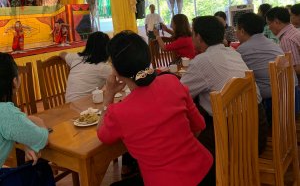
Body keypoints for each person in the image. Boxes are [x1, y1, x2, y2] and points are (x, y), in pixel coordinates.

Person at [97, 31, 213, 186]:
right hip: (206, 171)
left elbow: (102, 134)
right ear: (147, 57)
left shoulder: (119, 112)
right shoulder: (172, 81)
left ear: (116, 70)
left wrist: (109, 96)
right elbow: (199, 126)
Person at [180, 16, 268, 163]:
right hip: (257, 133)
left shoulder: (202, 61)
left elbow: (179, 93)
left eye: (192, 33)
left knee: (188, 146)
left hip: (235, 142)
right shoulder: (232, 52)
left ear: (198, 37)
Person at [0, 53, 49, 167]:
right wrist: (37, 121)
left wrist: (27, 141)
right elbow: (42, 138)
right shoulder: (6, 112)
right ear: (14, 81)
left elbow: (15, 130)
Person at [236, 13, 284, 123]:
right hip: (286, 94)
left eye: (236, 29)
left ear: (242, 31)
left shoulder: (243, 50)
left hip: (271, 104)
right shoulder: (271, 43)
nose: (236, 33)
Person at [60, 31, 112, 102]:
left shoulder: (76, 57)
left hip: (68, 103)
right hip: (85, 105)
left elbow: (62, 54)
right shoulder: (103, 67)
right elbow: (120, 79)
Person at [266, 7, 300, 76]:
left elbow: (297, 68)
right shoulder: (294, 31)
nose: (269, 27)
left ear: (277, 22)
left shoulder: (286, 39)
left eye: (269, 24)